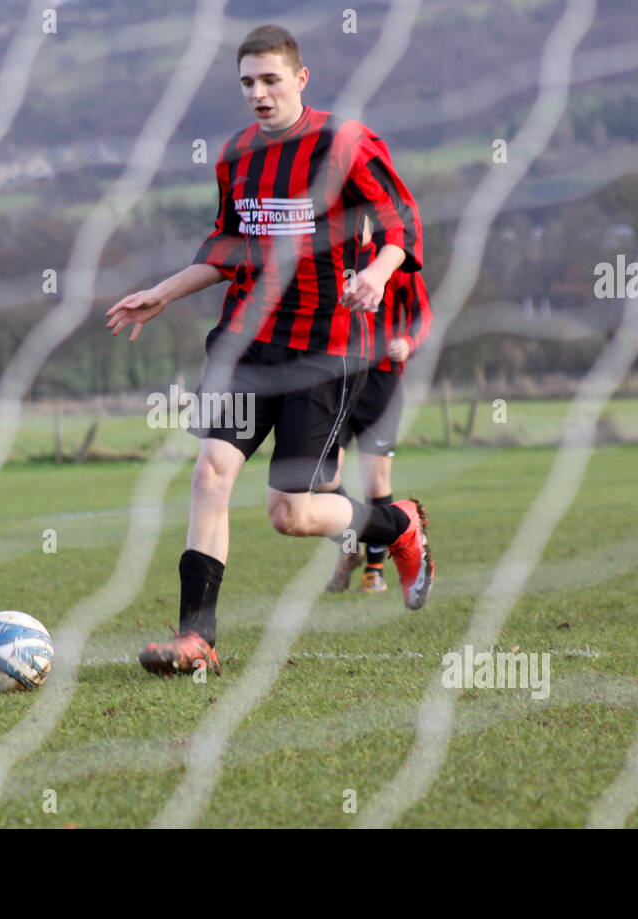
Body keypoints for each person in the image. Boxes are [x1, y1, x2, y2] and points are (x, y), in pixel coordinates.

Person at [105, 24, 430, 674]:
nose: (258, 93)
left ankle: (397, 524)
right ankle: (198, 638)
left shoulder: (346, 143)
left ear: (300, 79)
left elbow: (401, 221)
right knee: (210, 474)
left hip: (325, 350)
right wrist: (162, 293)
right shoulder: (236, 156)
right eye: (247, 82)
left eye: (270, 79)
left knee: (291, 513)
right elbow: (228, 245)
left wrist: (379, 270)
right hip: (246, 349)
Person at [319, 218, 433, 597]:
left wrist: (408, 341)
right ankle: (348, 545)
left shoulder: (393, 261)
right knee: (321, 476)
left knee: (376, 480)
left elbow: (422, 315)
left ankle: (374, 569)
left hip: (381, 380)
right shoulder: (331, 255)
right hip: (335, 377)